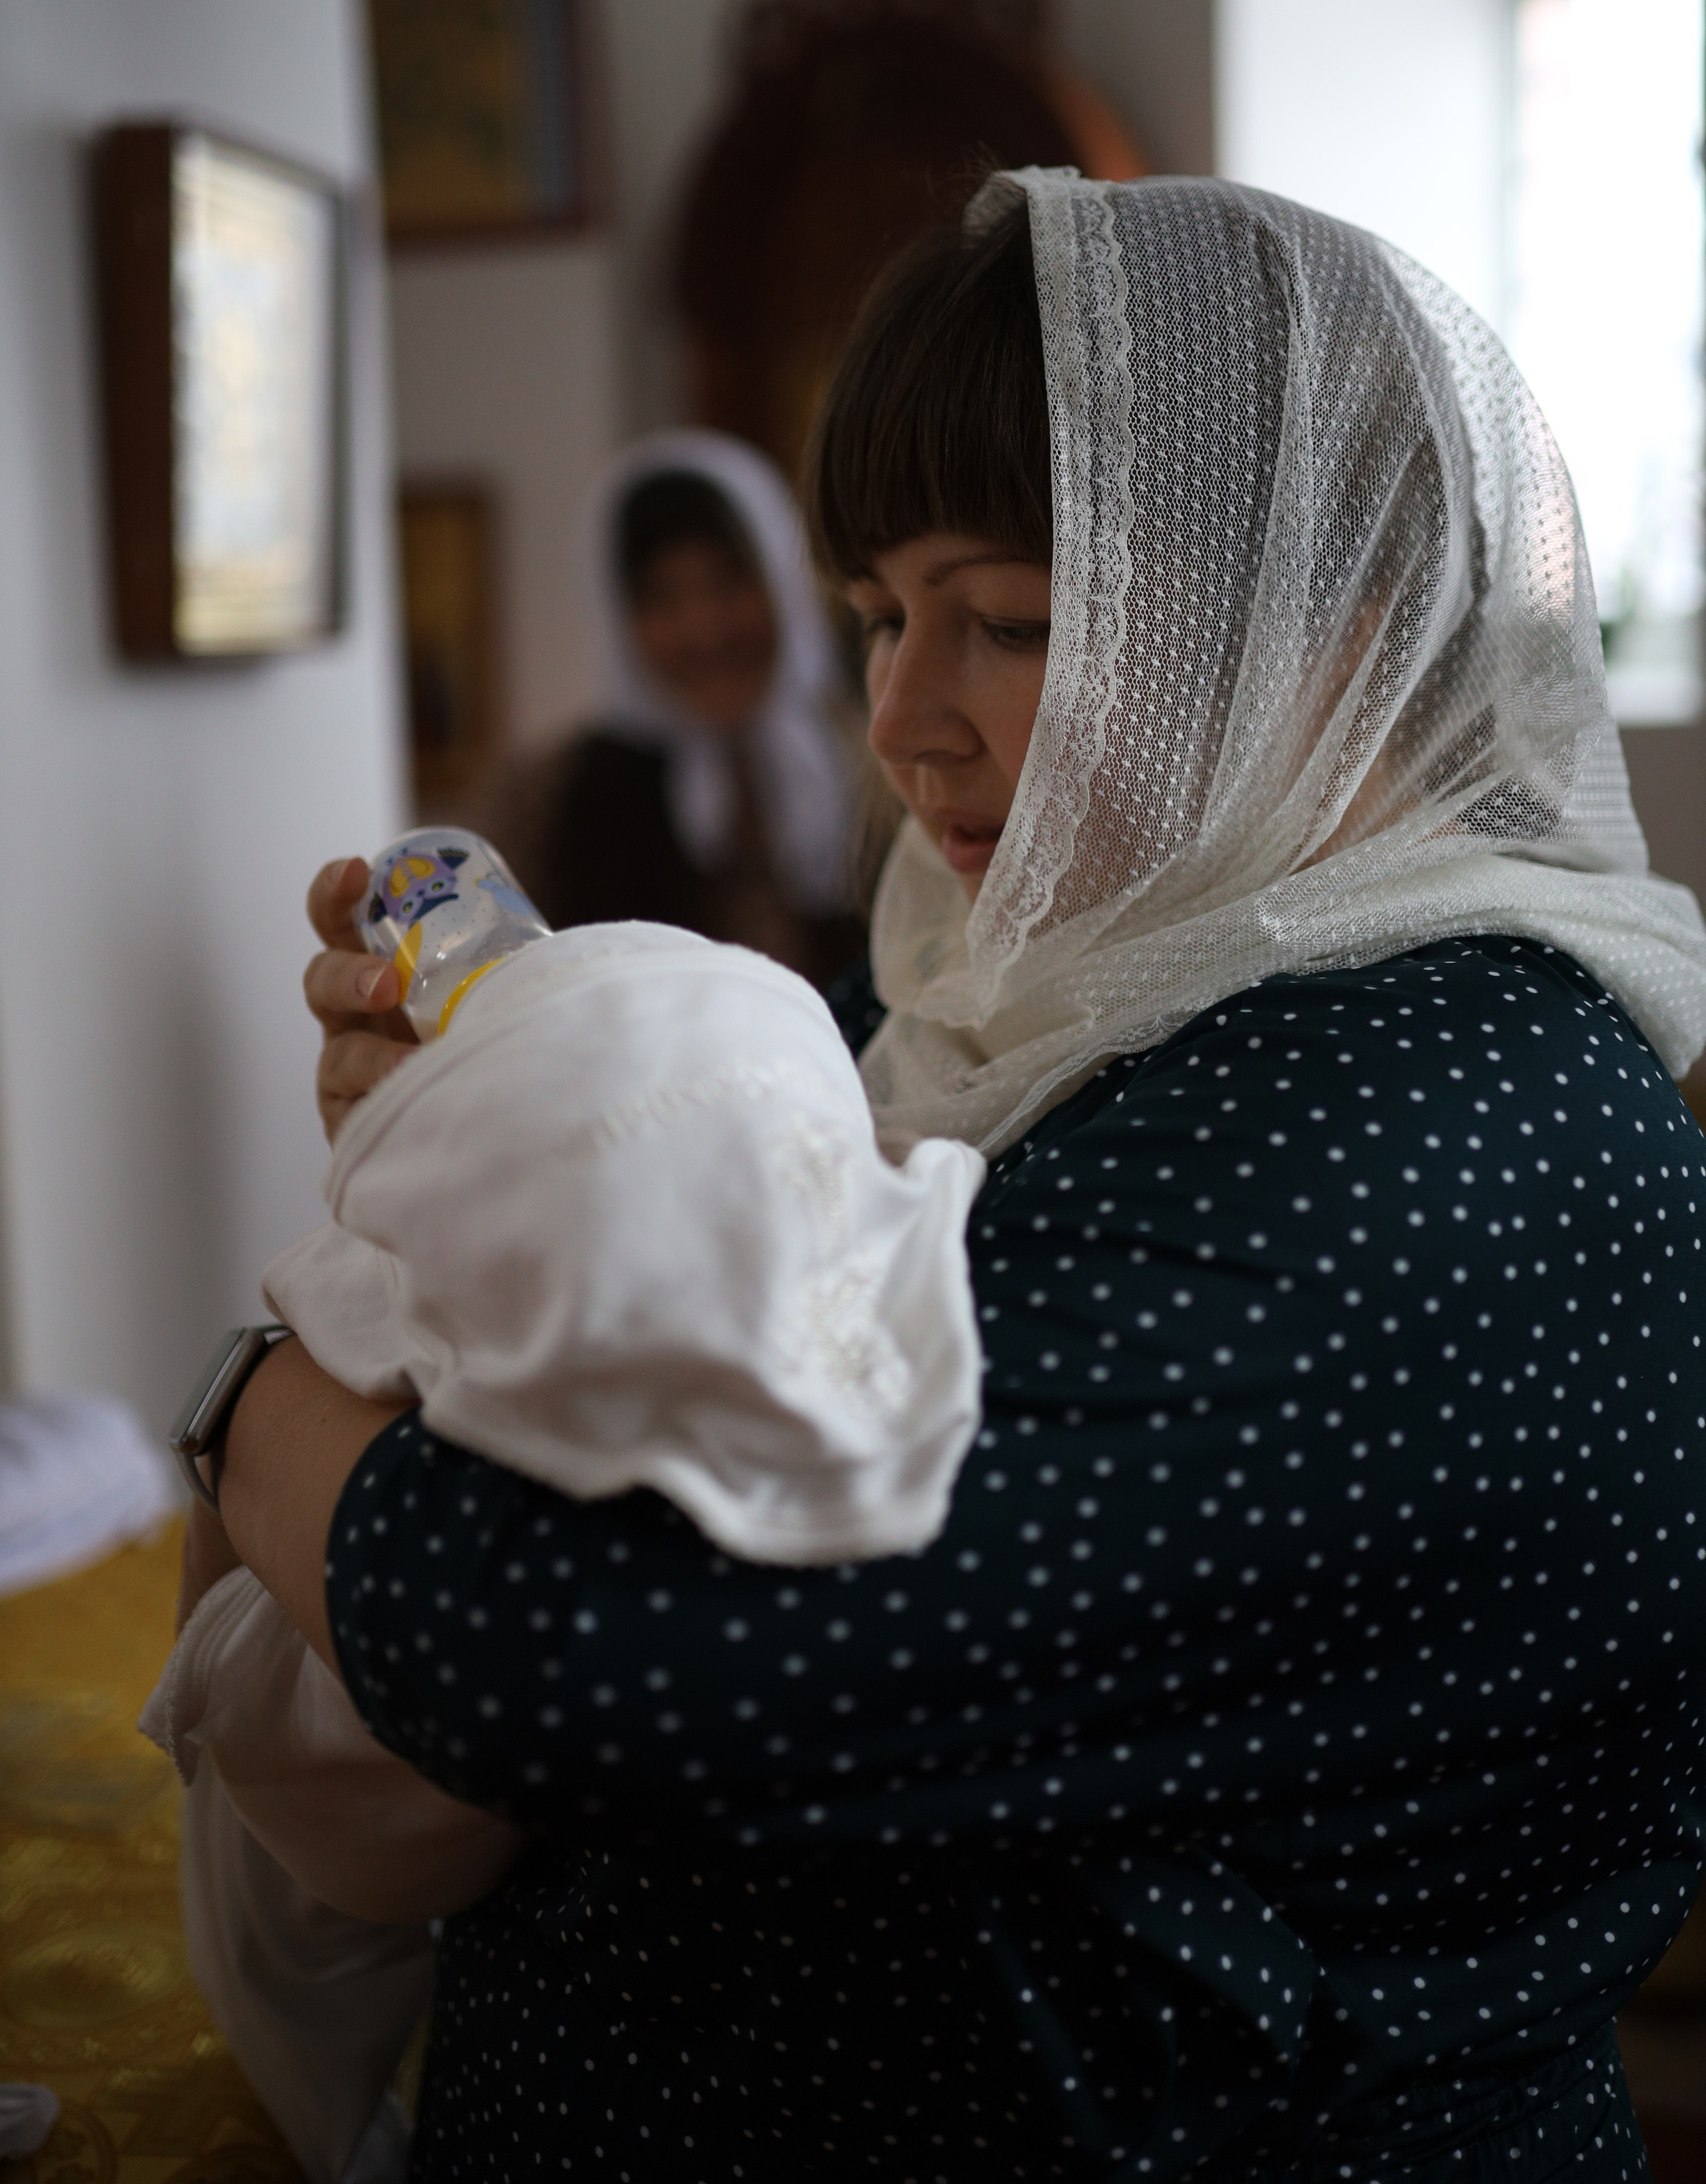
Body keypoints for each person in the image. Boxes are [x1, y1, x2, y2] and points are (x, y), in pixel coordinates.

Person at [199, 172, 1706, 2180]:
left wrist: (239, 1405)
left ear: (1324, 621)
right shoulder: (1006, 991)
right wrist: (507, 1122)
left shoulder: (1420, 1121)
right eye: (881, 613)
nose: (900, 717)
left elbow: (586, 1655)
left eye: (1002, 617)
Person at [468, 429, 865, 988]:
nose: (705, 630)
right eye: (662, 598)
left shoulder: (886, 765)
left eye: (729, 583)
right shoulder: (547, 798)